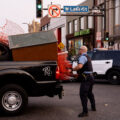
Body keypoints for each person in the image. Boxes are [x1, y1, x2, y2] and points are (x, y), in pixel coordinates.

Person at [69, 46, 96, 117]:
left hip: (86, 78)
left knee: (83, 94)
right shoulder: (88, 56)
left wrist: (72, 69)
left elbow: (80, 66)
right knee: (89, 93)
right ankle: (93, 107)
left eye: (79, 49)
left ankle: (85, 112)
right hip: (91, 77)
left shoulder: (82, 57)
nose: (78, 51)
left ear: (82, 50)